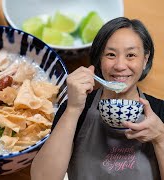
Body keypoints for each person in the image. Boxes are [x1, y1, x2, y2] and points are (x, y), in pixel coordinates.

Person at [31, 17, 164, 180]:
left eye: (131, 55)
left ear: (145, 60)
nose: (120, 65)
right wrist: (73, 109)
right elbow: (42, 177)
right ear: (99, 59)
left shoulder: (160, 112)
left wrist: (160, 138)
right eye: (110, 54)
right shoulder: (77, 106)